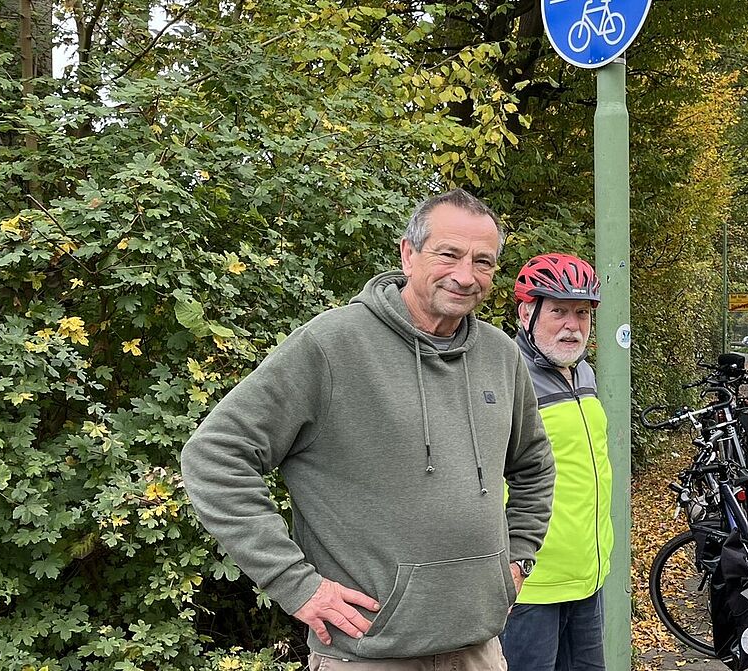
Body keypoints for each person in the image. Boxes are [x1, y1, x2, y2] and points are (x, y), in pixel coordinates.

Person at [181, 188, 556, 669]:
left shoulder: (501, 356)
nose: (466, 276)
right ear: (408, 252)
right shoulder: (333, 345)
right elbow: (215, 456)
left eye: (483, 262)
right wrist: (296, 585)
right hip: (368, 653)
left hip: (478, 649)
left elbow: (533, 465)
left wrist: (519, 558)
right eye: (449, 254)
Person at [500, 253, 612, 671]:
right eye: (559, 310)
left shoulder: (582, 372)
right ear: (527, 312)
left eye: (582, 313)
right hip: (531, 587)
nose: (573, 325)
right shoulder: (505, 377)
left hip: (587, 578)